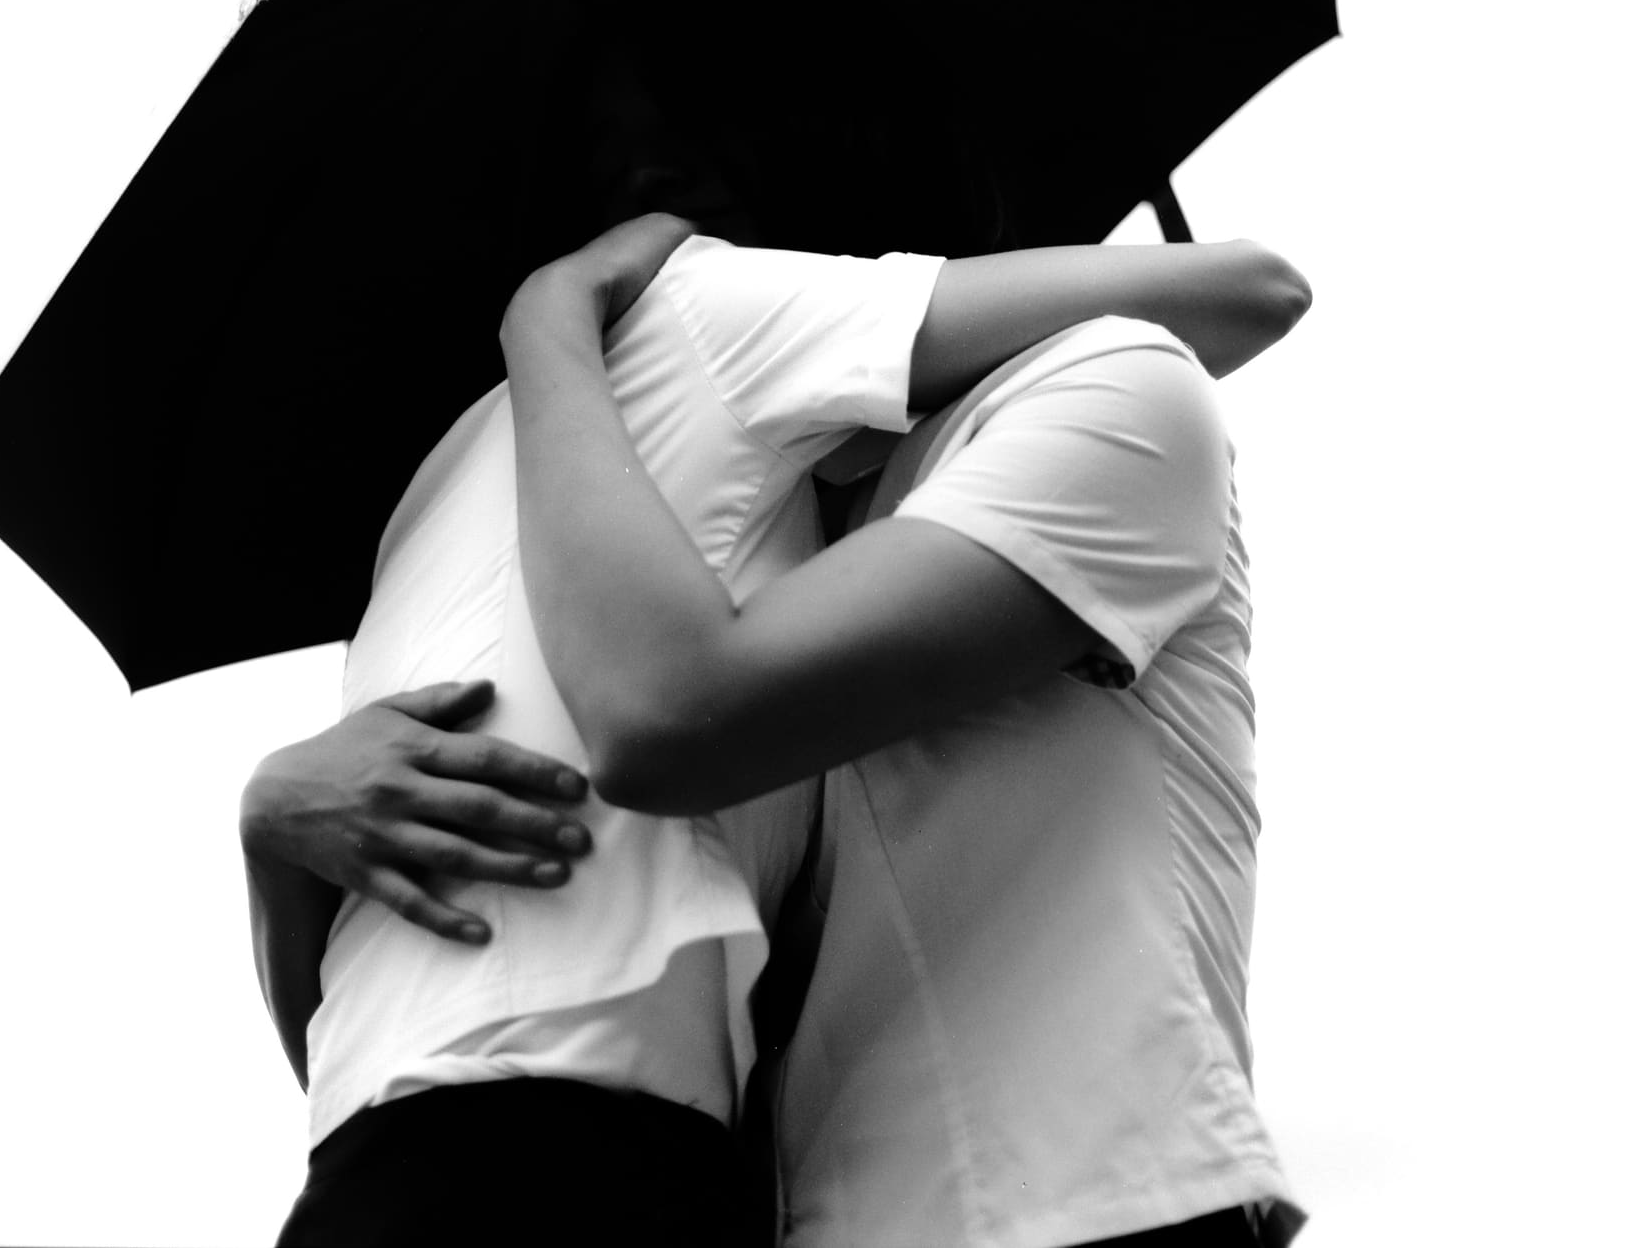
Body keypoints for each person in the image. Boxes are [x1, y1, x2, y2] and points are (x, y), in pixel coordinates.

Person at [243, 206, 1307, 1245]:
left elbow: (662, 716)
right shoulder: (750, 548)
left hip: (1091, 1201)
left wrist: (548, 320)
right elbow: (414, 1029)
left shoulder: (1107, 387)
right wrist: (275, 837)